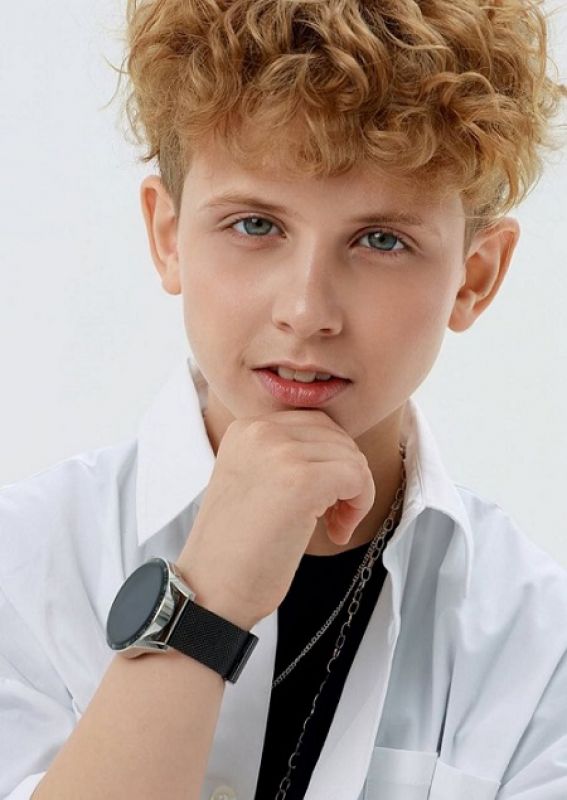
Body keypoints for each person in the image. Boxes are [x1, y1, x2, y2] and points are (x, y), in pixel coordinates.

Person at [2, 0, 567, 798]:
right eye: (254, 226)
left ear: (474, 278)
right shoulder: (24, 567)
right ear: (167, 236)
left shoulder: (533, 646)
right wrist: (207, 601)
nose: (305, 311)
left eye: (381, 240)